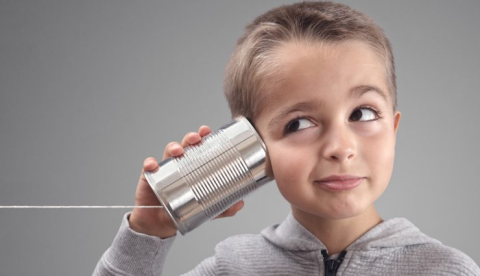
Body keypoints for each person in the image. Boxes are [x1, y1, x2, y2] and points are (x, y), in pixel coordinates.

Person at [93, 2, 480, 275]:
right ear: (250, 145)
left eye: (362, 114)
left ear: (393, 129)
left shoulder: (446, 270)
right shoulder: (232, 268)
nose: (340, 148)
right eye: (299, 124)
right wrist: (148, 232)